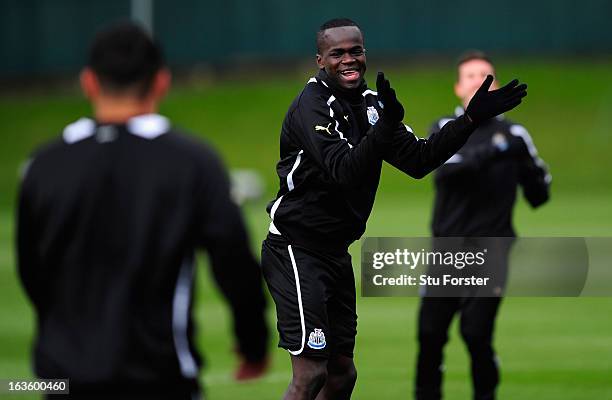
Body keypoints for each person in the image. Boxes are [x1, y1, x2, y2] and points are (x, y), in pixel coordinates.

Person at [261, 18, 527, 400]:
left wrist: (470, 119)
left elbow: (419, 160)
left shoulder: (371, 105)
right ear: (321, 60)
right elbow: (343, 171)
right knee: (311, 374)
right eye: (337, 53)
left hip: (335, 252)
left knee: (341, 375)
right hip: (295, 249)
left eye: (356, 51)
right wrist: (384, 128)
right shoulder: (313, 105)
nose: (348, 60)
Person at [16, 21, 268, 399]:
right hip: (160, 379)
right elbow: (233, 260)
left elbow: (33, 271)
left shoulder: (44, 165)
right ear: (162, 82)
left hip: (63, 381)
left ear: (88, 82)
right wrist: (253, 343)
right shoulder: (190, 161)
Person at [415, 51, 551, 400]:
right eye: (471, 76)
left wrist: (522, 162)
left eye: (486, 75)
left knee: (476, 333)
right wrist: (493, 150)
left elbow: (539, 193)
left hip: (492, 248)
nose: (479, 81)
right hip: (447, 249)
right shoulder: (445, 128)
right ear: (459, 87)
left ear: (497, 86)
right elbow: (445, 170)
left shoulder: (514, 133)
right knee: (430, 335)